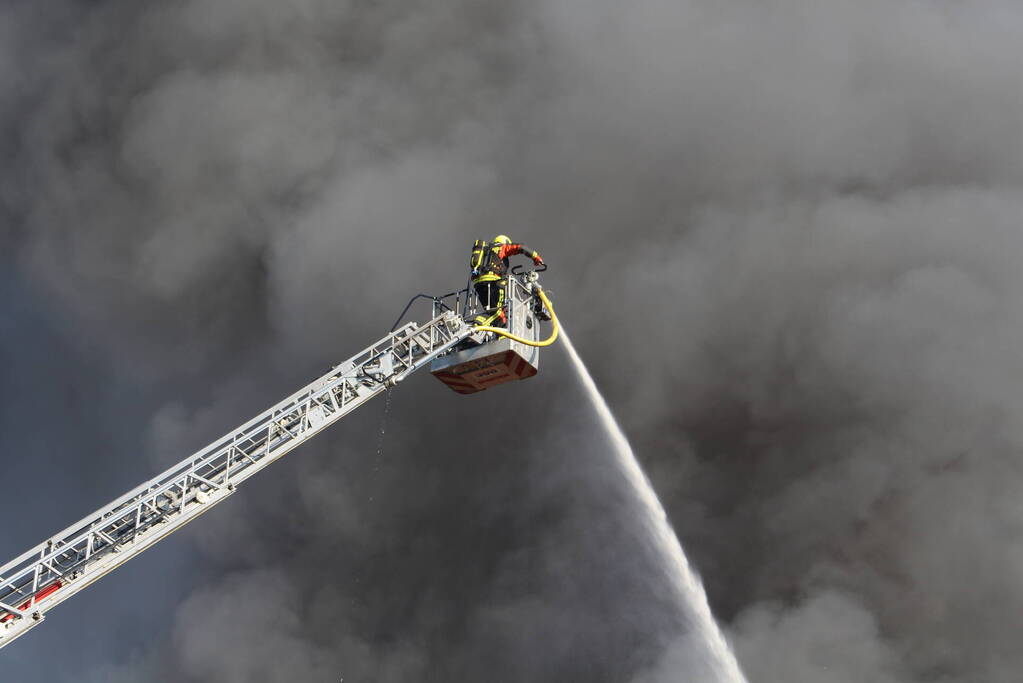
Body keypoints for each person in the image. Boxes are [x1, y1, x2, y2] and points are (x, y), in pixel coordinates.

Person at [470, 235, 544, 327]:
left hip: (479, 284)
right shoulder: (501, 247)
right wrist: (536, 257)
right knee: (497, 312)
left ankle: (497, 335)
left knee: (497, 315)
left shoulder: (487, 251)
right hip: (493, 282)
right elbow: (520, 247)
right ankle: (476, 326)